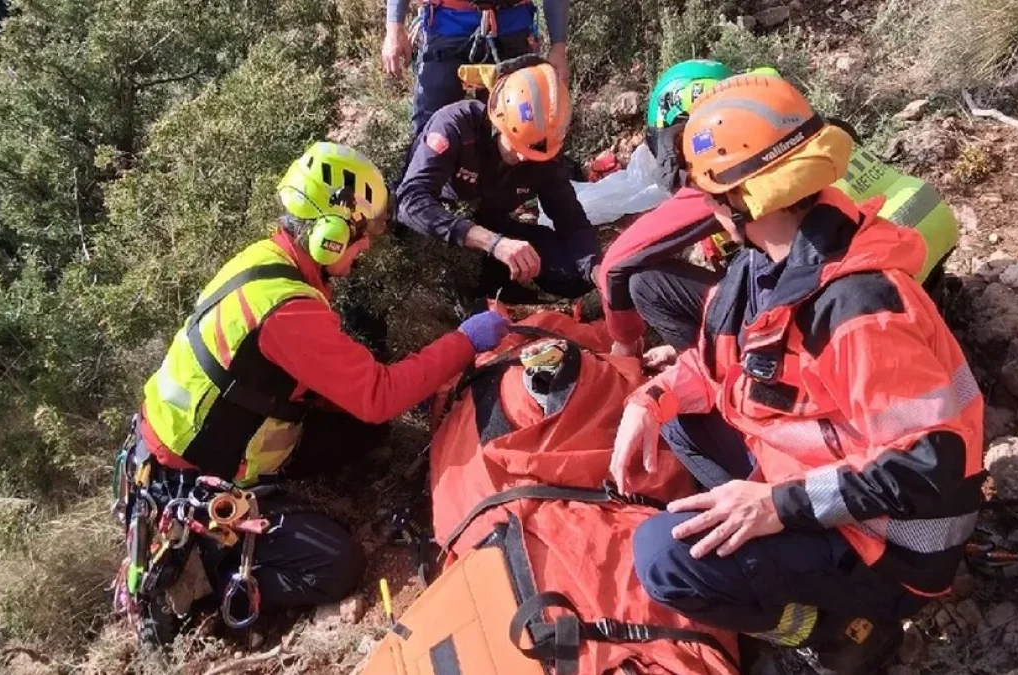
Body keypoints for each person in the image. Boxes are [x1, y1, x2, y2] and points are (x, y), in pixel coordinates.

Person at [608, 75, 985, 674]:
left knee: (662, 559)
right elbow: (711, 370)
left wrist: (774, 507)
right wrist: (647, 403)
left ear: (742, 200)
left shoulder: (859, 307)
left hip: (895, 546)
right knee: (679, 427)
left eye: (711, 195)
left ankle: (834, 632)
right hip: (826, 479)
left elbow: (927, 468)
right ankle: (769, 552)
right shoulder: (761, 268)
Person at [123, 142, 509, 639]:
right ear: (330, 234)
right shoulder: (286, 311)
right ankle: (205, 574)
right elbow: (380, 394)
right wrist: (466, 341)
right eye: (361, 235)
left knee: (361, 429)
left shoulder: (266, 261)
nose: (366, 247)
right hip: (193, 487)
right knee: (337, 566)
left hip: (174, 453)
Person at [598, 61, 959, 359]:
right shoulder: (794, 132)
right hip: (925, 229)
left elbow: (617, 262)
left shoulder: (730, 173)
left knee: (646, 283)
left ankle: (724, 378)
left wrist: (625, 343)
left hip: (864, 285)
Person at [395, 56, 598, 302]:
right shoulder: (456, 125)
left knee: (573, 275)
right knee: (452, 289)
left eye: (533, 151)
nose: (524, 157)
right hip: (439, 227)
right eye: (516, 147)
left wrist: (597, 271)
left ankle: (497, 283)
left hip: (492, 225)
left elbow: (571, 220)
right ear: (498, 122)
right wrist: (493, 243)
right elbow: (410, 202)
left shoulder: (544, 152)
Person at [382, 0, 570, 139]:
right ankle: (423, 189)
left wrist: (558, 47)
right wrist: (394, 26)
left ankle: (505, 188)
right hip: (447, 23)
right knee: (430, 129)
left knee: (516, 129)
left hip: (512, 26)